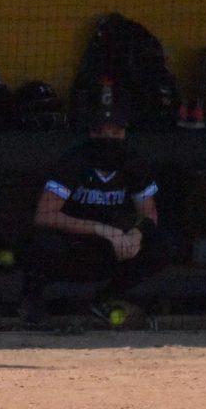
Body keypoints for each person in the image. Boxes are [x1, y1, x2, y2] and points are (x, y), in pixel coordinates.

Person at [18, 84, 171, 328]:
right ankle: (32, 301)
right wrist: (100, 229)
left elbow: (149, 213)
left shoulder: (133, 162)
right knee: (43, 242)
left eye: (116, 132)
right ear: (91, 132)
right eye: (102, 132)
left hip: (112, 249)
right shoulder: (74, 161)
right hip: (72, 245)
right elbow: (45, 215)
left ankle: (106, 298)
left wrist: (135, 234)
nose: (109, 138)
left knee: (162, 244)